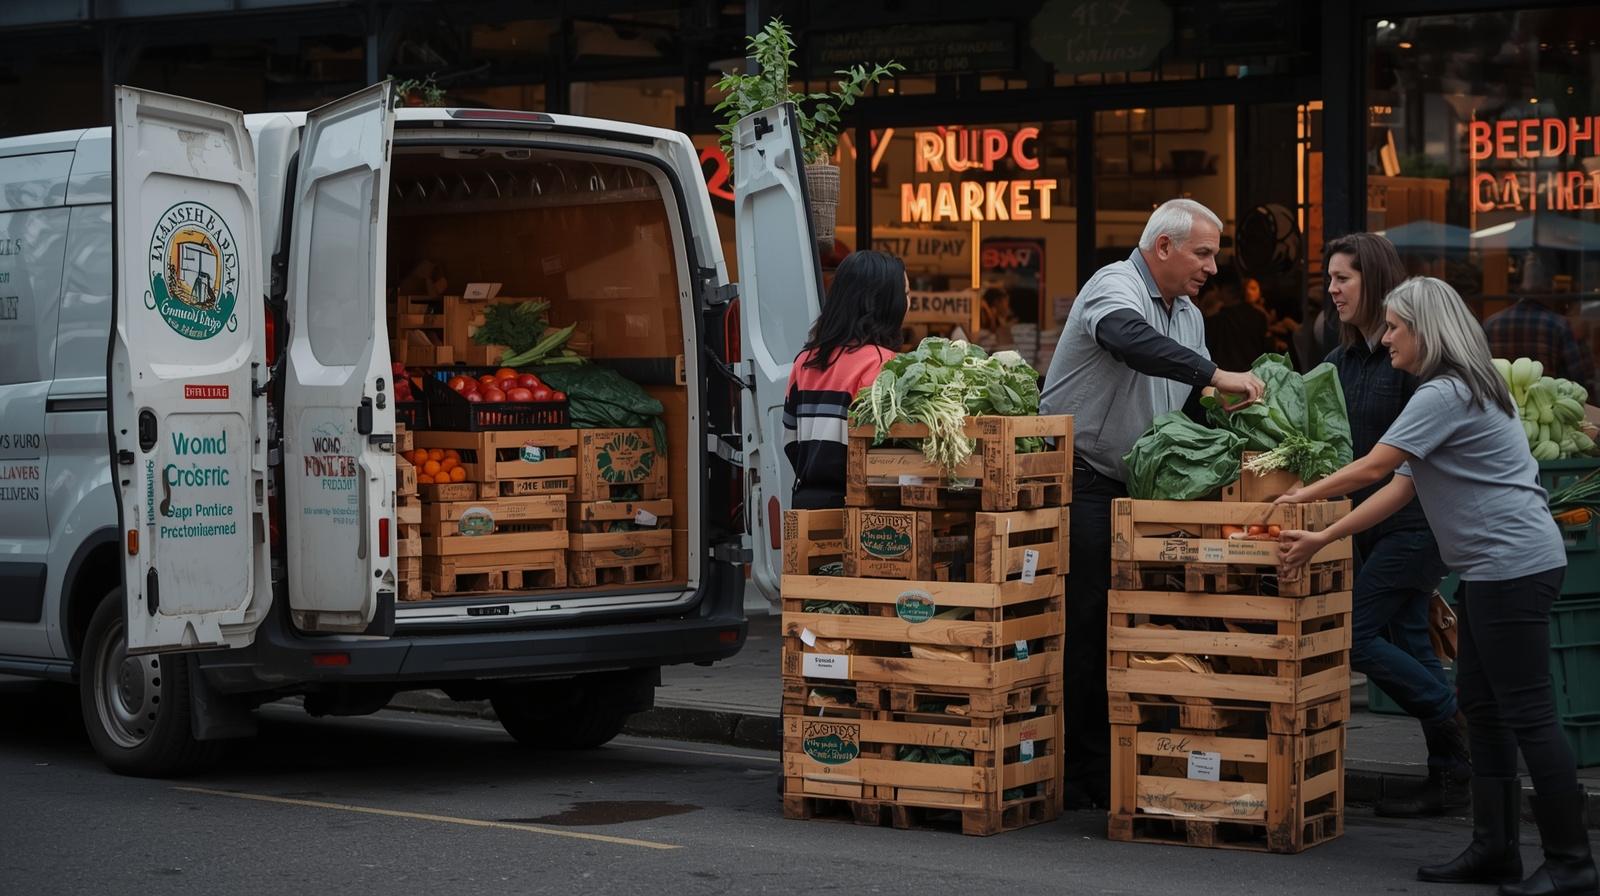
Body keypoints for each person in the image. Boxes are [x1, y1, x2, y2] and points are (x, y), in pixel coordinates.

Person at [1277, 277, 1594, 896]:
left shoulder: (1447, 392)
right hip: (1491, 568)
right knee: (1483, 708)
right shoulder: (1459, 390)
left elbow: (1375, 466)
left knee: (1528, 714)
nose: (1386, 336)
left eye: (1395, 326)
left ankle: (1571, 863)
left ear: (1427, 329)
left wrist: (1304, 496)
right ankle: (1494, 849)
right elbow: (1403, 487)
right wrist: (1322, 537)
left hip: (1513, 567)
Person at [1039, 198, 1266, 809]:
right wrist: (1218, 376)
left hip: (1145, 493)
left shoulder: (1188, 314)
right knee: (1087, 625)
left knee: (1141, 627)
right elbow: (1128, 340)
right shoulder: (1114, 286)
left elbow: (1189, 403)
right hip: (1085, 482)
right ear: (1163, 248)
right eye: (1203, 253)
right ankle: (1084, 772)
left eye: (1214, 254)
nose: (1212, 268)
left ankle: (1127, 756)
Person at [1322, 233, 1466, 817]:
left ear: (1375, 282)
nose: (1331, 290)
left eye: (1343, 279)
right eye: (1329, 278)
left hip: (1415, 523)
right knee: (1409, 638)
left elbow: (1394, 461)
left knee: (1355, 635)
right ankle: (1450, 776)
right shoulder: (1335, 362)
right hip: (1369, 525)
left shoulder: (1409, 360)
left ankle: (1454, 718)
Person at [782, 249, 908, 510]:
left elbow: (790, 441)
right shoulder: (880, 362)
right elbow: (887, 450)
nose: (910, 303)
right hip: (860, 509)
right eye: (905, 295)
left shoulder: (804, 361)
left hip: (806, 502)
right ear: (884, 303)